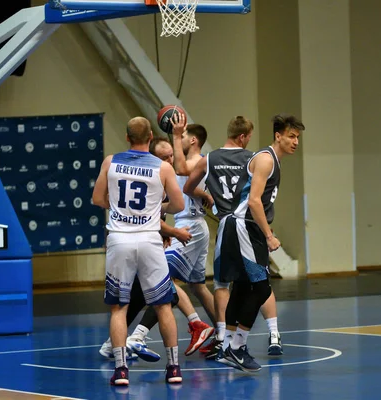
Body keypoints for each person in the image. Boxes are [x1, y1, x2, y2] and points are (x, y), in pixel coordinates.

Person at [92, 116, 185, 386]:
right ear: (151, 138)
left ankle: (121, 370)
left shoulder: (111, 161)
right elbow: (178, 205)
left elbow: (98, 199)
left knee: (119, 308)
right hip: (149, 239)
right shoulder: (161, 167)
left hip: (119, 238)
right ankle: (174, 368)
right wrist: (157, 207)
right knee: (163, 305)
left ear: (126, 137)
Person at [182, 116, 283, 361]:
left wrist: (208, 197)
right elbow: (258, 195)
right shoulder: (254, 159)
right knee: (259, 281)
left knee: (223, 284)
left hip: (226, 225)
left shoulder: (210, 159)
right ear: (244, 137)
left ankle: (223, 338)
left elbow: (186, 186)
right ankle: (273, 334)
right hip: (249, 224)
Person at [216, 114, 305, 372]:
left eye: (298, 137)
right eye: (291, 136)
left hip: (242, 225)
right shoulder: (266, 159)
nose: (295, 142)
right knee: (262, 289)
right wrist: (268, 235)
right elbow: (254, 201)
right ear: (278, 136)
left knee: (243, 287)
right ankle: (237, 347)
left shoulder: (271, 160)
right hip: (245, 226)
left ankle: (227, 347)